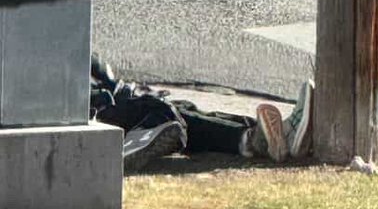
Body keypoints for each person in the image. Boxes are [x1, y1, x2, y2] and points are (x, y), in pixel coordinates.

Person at [89, 56, 313, 172]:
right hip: (87, 110)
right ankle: (136, 142)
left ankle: (258, 138)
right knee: (161, 111)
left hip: (90, 102)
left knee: (181, 113)